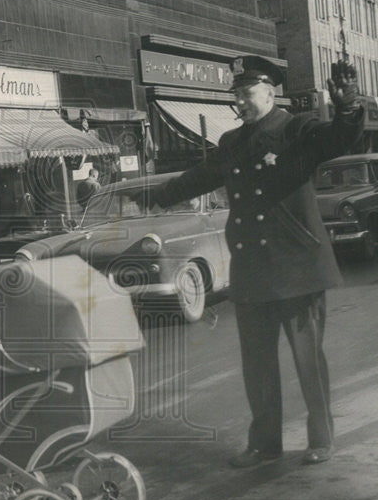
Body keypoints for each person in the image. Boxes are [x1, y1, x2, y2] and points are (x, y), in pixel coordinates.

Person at [136, 56, 363, 467]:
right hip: (253, 269)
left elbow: (336, 140)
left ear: (270, 91)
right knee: (257, 367)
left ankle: (321, 438)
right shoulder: (231, 143)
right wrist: (155, 196)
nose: (239, 102)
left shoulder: (296, 129)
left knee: (308, 361)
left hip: (296, 266)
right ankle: (264, 443)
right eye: (235, 95)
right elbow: (200, 177)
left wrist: (347, 109)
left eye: (246, 93)